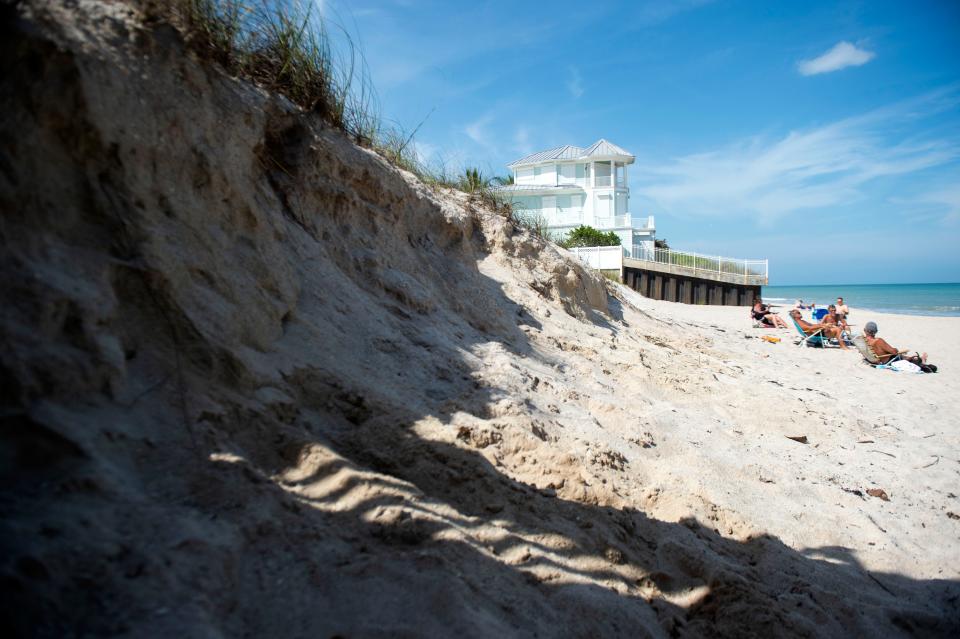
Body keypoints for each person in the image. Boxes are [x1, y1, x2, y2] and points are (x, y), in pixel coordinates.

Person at [862, 321, 936, 371]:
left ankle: (917, 358)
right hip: (887, 361)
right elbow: (893, 352)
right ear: (875, 332)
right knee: (905, 357)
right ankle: (921, 360)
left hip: (875, 360)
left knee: (906, 357)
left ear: (865, 330)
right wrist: (896, 349)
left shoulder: (863, 341)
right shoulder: (878, 341)